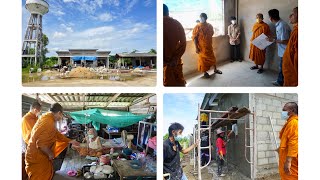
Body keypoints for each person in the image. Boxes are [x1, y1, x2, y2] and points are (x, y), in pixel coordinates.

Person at [25, 103, 80, 180]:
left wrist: (70, 141)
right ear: (59, 113)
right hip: (37, 158)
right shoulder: (48, 122)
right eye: (61, 115)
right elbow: (41, 144)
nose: (61, 118)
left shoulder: (47, 118)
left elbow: (56, 134)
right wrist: (50, 154)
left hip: (39, 156)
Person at [192, 13, 222, 78]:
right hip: (201, 48)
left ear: (206, 18)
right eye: (201, 18)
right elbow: (195, 38)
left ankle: (215, 69)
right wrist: (196, 48)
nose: (201, 19)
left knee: (212, 58)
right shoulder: (197, 27)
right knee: (203, 61)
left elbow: (211, 34)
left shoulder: (209, 26)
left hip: (209, 47)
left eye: (203, 18)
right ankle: (205, 73)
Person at [163, 4, 187, 86]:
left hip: (164, 64)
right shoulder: (176, 24)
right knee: (178, 82)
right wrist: (175, 58)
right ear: (168, 12)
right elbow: (183, 43)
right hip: (175, 62)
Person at [267, 9, 291, 86]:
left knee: (283, 68)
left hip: (285, 51)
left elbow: (286, 41)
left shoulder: (282, 26)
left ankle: (280, 82)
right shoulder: (279, 24)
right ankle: (281, 80)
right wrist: (273, 37)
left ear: (270, 18)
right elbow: (280, 37)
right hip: (282, 50)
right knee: (282, 67)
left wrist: (273, 40)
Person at [277, 102, 298, 180]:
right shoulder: (289, 122)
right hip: (286, 155)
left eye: (284, 109)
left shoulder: (294, 123)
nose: (282, 112)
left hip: (291, 159)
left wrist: (288, 161)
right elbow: (287, 140)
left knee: (291, 176)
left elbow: (294, 143)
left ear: (292, 110)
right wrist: (280, 148)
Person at [21, 101, 42, 180]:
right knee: (32, 168)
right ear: (35, 110)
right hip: (30, 147)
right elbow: (29, 136)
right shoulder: (26, 119)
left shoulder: (35, 118)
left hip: (37, 146)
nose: (39, 113)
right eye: (39, 111)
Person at [282, 7, 298, 86]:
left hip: (293, 71)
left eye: (292, 14)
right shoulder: (295, 30)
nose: (289, 16)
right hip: (289, 68)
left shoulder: (297, 32)